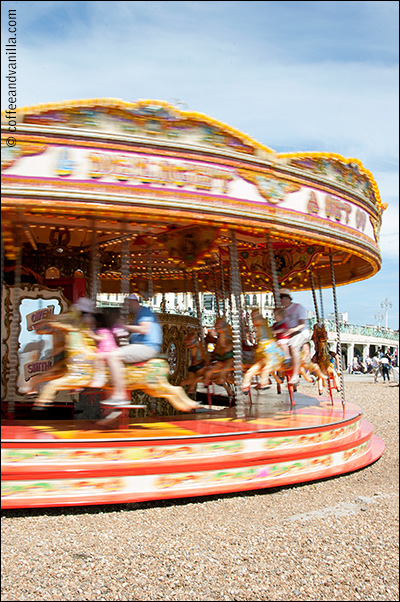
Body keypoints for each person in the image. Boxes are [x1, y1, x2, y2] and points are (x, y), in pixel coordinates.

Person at [99, 294, 162, 405]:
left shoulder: (144, 311)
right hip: (143, 345)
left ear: (133, 302)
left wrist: (125, 327)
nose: (126, 307)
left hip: (147, 346)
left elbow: (144, 329)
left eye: (127, 304)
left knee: (113, 356)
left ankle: (120, 395)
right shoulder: (138, 315)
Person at [279, 288, 310, 385]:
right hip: (289, 333)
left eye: (281, 298)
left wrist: (292, 330)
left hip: (300, 331)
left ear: (288, 298)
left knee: (293, 346)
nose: (280, 300)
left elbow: (302, 324)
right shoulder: (282, 311)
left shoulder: (298, 307)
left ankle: (296, 375)